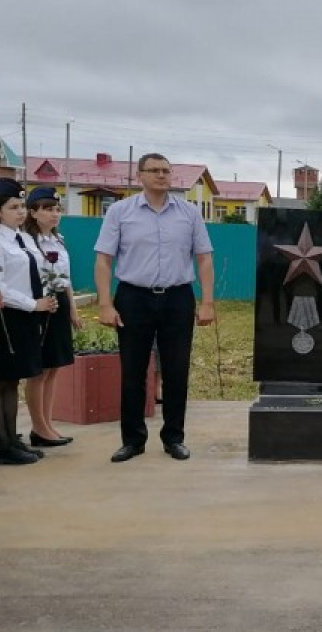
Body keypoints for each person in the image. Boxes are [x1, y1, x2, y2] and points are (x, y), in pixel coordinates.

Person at [95, 153, 215, 463]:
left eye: (166, 171)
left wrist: (207, 302)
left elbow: (203, 257)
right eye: (154, 170)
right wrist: (106, 303)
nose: (161, 176)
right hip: (134, 298)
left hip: (177, 298)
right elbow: (104, 260)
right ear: (140, 176)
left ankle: (174, 438)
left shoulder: (189, 213)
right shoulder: (120, 212)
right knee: (133, 371)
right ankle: (133, 440)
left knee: (176, 370)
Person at [0, 178, 60, 466]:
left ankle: (12, 440)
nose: (21, 212)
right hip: (4, 315)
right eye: (13, 207)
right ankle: (2, 444)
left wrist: (45, 298)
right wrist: (31, 303)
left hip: (26, 316)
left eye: (22, 206)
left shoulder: (23, 237)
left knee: (12, 379)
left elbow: (34, 274)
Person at [24, 186, 80, 447]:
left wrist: (73, 310)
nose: (54, 214)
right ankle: (38, 426)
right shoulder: (26, 241)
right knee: (39, 370)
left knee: (54, 367)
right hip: (39, 306)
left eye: (57, 209)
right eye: (48, 209)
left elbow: (66, 280)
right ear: (33, 212)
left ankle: (47, 423)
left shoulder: (59, 239)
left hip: (58, 305)